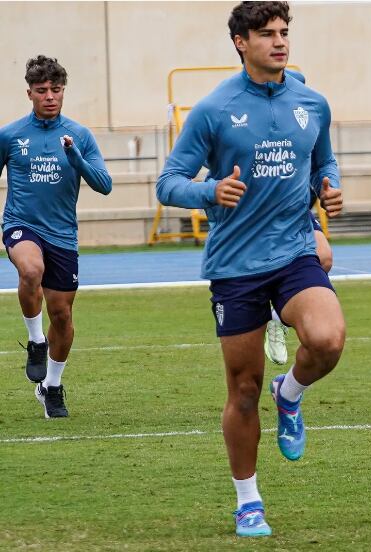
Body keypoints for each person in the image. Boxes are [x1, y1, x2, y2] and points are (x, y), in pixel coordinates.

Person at [157, 1, 345, 537]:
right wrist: (208, 191)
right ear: (241, 42)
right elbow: (168, 182)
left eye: (284, 32)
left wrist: (328, 188)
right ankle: (248, 500)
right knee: (242, 388)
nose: (280, 42)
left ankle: (289, 394)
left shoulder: (312, 102)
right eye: (267, 34)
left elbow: (323, 161)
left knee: (328, 339)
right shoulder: (215, 110)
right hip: (236, 264)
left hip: (294, 251)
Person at [0, 55, 112, 418]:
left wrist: (75, 158)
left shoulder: (79, 135)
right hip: (21, 224)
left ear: (63, 91)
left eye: (56, 89)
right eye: (42, 90)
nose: (49, 96)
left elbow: (105, 185)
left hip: (63, 234)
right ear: (29, 93)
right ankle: (35, 341)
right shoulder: (11, 135)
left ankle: (51, 386)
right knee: (30, 271)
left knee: (62, 317)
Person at [264, 68, 334, 366]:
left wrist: (330, 186)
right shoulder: (256, 122)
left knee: (324, 256)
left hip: (296, 211)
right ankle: (270, 309)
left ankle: (277, 316)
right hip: (258, 215)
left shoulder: (308, 119)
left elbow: (324, 163)